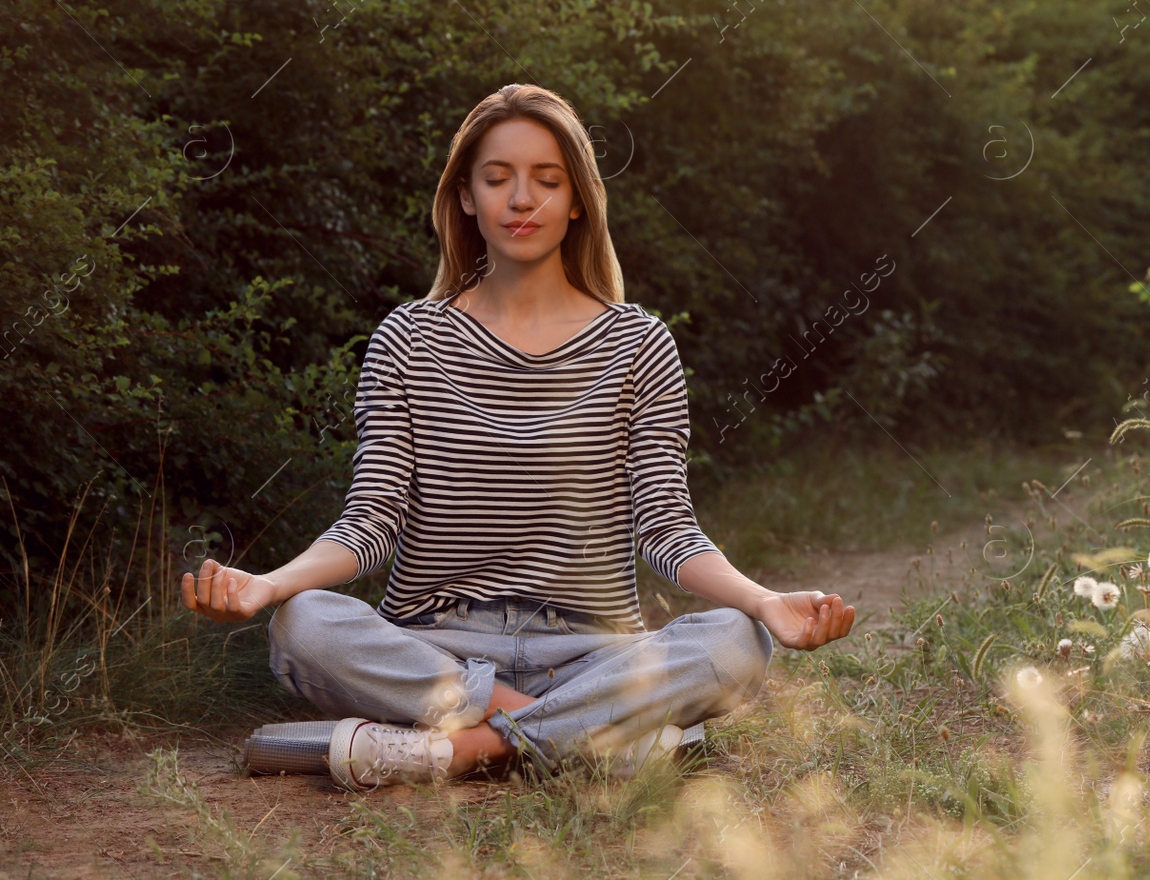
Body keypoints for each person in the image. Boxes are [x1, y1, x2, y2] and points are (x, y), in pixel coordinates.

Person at [182, 83, 855, 791]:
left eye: (547, 179)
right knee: (304, 625)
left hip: (593, 650)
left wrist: (763, 600)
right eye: (497, 178)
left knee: (736, 639)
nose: (521, 198)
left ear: (577, 200)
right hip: (434, 648)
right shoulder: (408, 339)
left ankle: (458, 751)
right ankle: (585, 738)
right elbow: (370, 523)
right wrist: (267, 584)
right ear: (466, 197)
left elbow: (666, 528)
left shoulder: (638, 344)